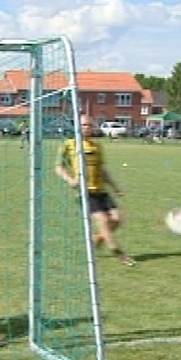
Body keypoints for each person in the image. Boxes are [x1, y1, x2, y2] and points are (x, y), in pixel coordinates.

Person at [55, 114, 135, 266]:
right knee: (103, 221)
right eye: (84, 125)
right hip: (85, 193)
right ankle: (119, 254)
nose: (87, 128)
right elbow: (58, 167)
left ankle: (97, 238)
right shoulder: (69, 144)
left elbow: (103, 170)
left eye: (89, 125)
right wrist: (70, 180)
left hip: (101, 191)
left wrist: (115, 187)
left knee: (118, 219)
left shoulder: (97, 146)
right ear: (77, 127)